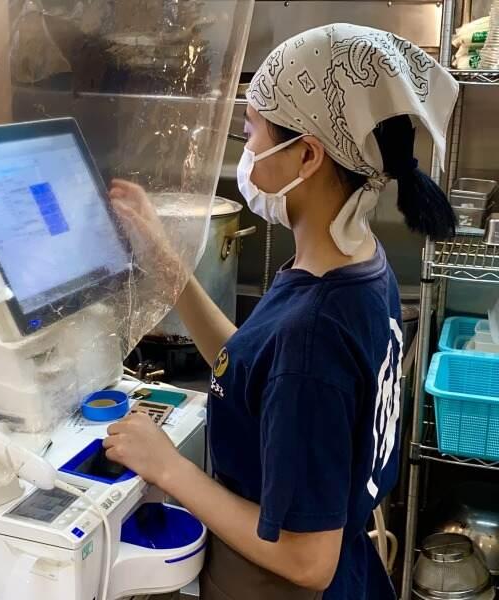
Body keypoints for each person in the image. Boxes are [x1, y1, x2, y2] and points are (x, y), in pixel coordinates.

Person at [104, 24, 459, 600]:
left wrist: (168, 467)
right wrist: (163, 260)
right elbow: (245, 367)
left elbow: (306, 559)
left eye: (252, 132)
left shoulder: (313, 333)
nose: (245, 152)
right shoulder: (355, 265)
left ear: (308, 154)